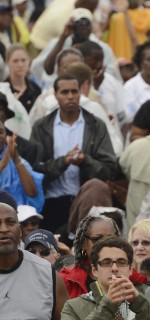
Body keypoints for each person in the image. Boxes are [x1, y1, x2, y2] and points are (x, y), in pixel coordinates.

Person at [31, 74, 117, 232]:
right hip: (52, 203)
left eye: (74, 91)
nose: (70, 96)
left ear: (81, 93)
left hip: (88, 200)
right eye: (64, 92)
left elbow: (108, 169)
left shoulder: (96, 125)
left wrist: (85, 161)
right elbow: (35, 170)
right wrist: (63, 162)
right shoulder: (41, 127)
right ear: (55, 95)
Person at [31, 8, 120, 88]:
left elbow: (111, 74)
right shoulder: (59, 42)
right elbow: (48, 69)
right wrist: (63, 37)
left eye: (87, 24)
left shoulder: (102, 47)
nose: (83, 28)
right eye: (80, 24)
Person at [0, 121, 42, 212]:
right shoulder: (5, 161)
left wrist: (16, 159)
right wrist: (2, 165)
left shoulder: (15, 159)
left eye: (1, 132)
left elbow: (32, 193)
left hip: (17, 218)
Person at [5, 45, 40, 113]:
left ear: (29, 62)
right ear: (7, 62)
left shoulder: (35, 89)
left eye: (23, 60)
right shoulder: (2, 90)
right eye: (15, 61)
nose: (20, 65)